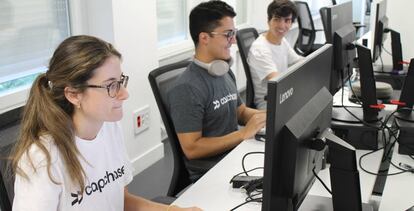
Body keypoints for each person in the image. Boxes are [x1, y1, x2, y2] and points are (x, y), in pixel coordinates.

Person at [10, 35, 201, 211]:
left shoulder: (108, 127)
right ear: (73, 94)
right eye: (111, 86)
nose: (124, 94)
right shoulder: (42, 158)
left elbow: (121, 200)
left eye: (121, 81)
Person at [168, 1, 266, 181]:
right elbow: (192, 149)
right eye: (228, 34)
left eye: (234, 33)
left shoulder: (223, 70)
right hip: (212, 173)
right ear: (204, 38)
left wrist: (271, 114)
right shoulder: (187, 88)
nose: (234, 40)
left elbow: (241, 112)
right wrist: (243, 133)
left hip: (235, 154)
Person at [248, 0, 303, 110]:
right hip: (269, 103)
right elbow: (276, 81)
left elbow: (299, 61)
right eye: (277, 19)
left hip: (284, 95)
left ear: (291, 23)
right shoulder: (259, 49)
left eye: (287, 20)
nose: (282, 26)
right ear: (269, 21)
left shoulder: (282, 41)